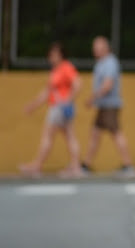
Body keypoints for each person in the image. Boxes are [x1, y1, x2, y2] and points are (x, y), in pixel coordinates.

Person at [20, 41, 84, 178]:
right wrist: (33, 105)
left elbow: (78, 83)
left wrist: (67, 99)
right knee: (69, 137)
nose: (51, 57)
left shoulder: (65, 67)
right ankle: (75, 166)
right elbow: (47, 92)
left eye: (53, 54)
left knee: (49, 136)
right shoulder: (56, 71)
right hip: (59, 107)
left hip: (59, 108)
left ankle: (37, 165)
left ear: (60, 55)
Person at [82, 36, 135, 178]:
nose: (95, 51)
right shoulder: (100, 63)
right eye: (94, 48)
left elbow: (108, 85)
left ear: (106, 48)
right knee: (95, 134)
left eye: (98, 48)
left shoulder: (110, 62)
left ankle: (128, 165)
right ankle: (86, 165)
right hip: (103, 105)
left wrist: (92, 98)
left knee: (116, 133)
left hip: (110, 105)